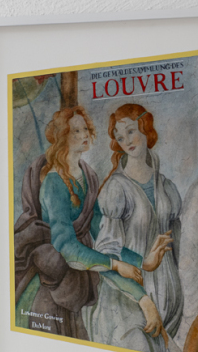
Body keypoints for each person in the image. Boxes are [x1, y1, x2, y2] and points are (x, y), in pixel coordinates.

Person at [13, 106, 144, 339]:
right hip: (57, 280)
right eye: (76, 131)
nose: (84, 135)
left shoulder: (88, 176)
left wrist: (139, 261)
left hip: (85, 268)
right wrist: (115, 265)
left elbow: (101, 233)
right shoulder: (53, 183)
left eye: (85, 129)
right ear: (63, 136)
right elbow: (65, 246)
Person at [87, 103, 183, 352]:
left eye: (131, 131)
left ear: (145, 127)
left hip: (167, 308)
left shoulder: (167, 188)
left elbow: (177, 252)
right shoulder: (116, 189)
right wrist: (144, 297)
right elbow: (106, 255)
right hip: (127, 306)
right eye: (120, 137)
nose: (126, 141)